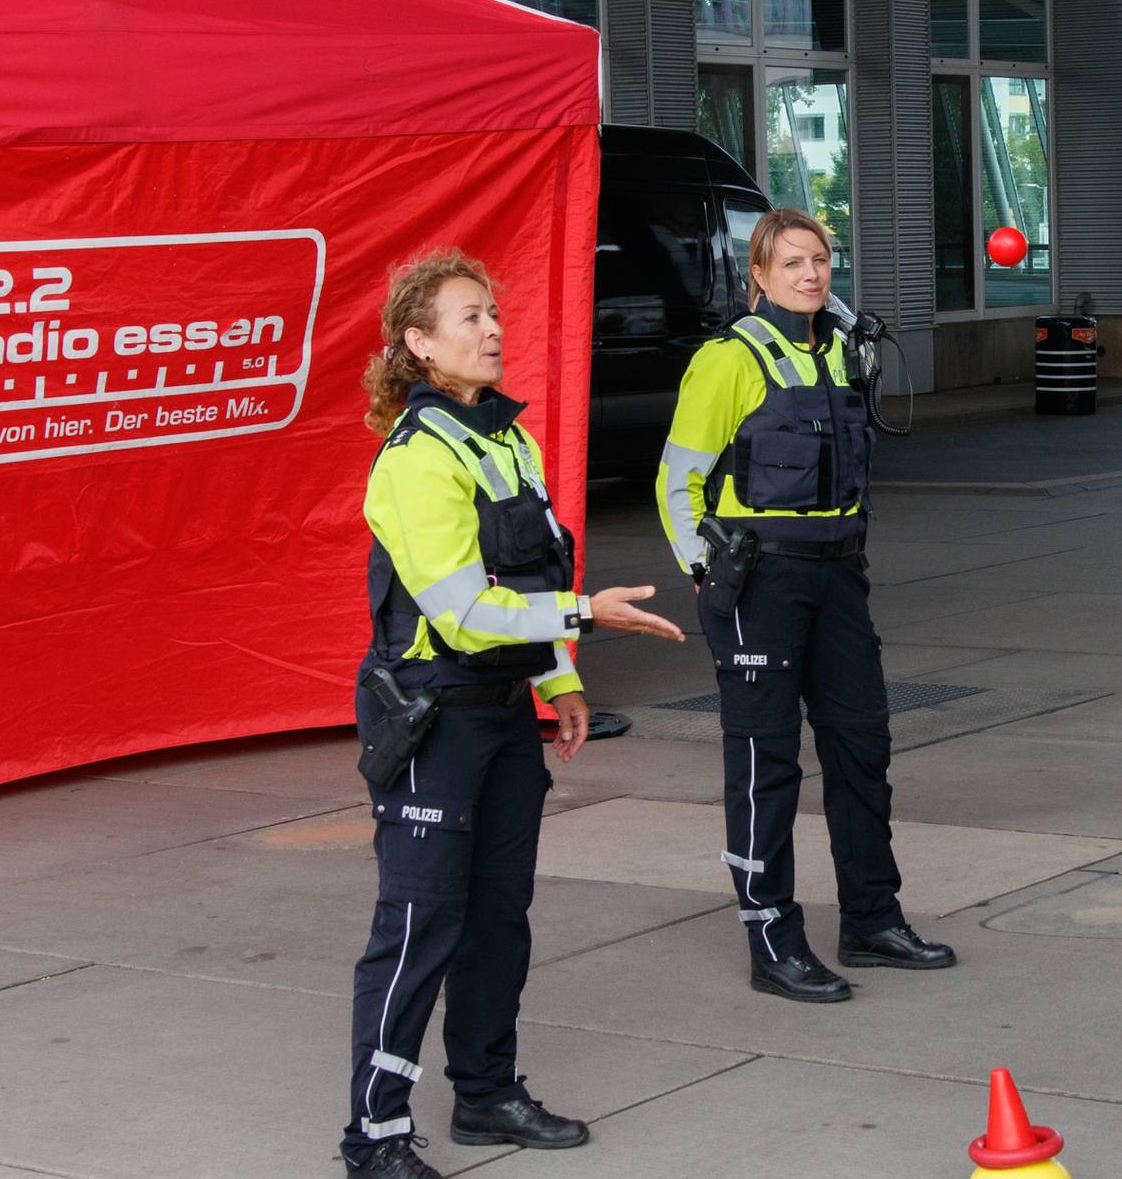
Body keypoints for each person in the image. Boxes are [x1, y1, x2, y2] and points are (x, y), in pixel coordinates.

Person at [343, 249, 685, 1179]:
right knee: (419, 924)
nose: (494, 330)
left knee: (500, 916)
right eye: (468, 318)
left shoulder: (505, 440)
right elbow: (458, 610)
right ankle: (372, 1137)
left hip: (500, 714)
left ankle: (487, 1096)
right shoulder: (415, 460)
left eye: (493, 313)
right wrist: (584, 614)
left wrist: (558, 678)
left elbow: (531, 578)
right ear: (418, 344)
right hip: (434, 721)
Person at [654, 208, 955, 1004]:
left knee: (862, 747)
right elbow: (676, 479)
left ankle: (872, 918)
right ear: (758, 275)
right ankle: (772, 939)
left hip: (837, 576)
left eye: (819, 260)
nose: (810, 275)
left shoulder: (839, 354)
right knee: (766, 764)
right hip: (761, 581)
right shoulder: (729, 360)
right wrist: (704, 570)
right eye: (790, 263)